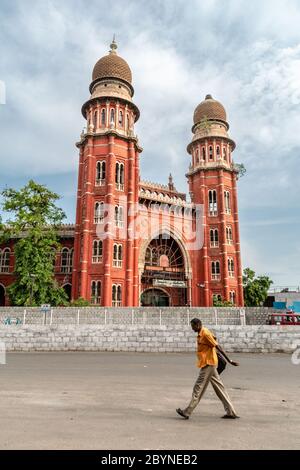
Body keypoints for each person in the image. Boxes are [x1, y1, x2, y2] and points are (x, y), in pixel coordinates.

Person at [176, 318, 240, 420]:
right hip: (210, 363)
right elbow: (213, 343)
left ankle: (187, 411)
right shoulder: (203, 333)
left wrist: (229, 360)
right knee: (220, 388)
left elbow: (217, 345)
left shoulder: (205, 333)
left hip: (208, 364)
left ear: (197, 325)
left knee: (198, 387)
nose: (192, 329)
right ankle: (231, 412)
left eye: (192, 326)